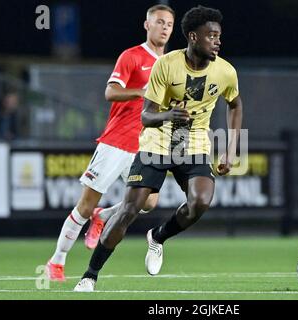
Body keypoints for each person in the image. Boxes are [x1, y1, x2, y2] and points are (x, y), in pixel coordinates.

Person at [74, 5, 243, 292]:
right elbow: (146, 116)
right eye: (211, 36)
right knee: (129, 209)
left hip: (194, 144)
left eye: (219, 36)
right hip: (159, 142)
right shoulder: (166, 66)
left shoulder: (225, 71)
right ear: (192, 36)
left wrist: (231, 149)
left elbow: (235, 105)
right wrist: (168, 115)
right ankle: (90, 275)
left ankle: (158, 237)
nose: (217, 41)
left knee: (200, 202)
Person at [45, 4, 175, 281]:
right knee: (85, 206)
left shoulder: (170, 64)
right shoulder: (132, 56)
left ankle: (104, 216)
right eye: (160, 22)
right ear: (147, 24)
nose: (164, 27)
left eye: (169, 24)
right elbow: (110, 91)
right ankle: (56, 260)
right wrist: (141, 91)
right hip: (116, 142)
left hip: (146, 144)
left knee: (150, 202)